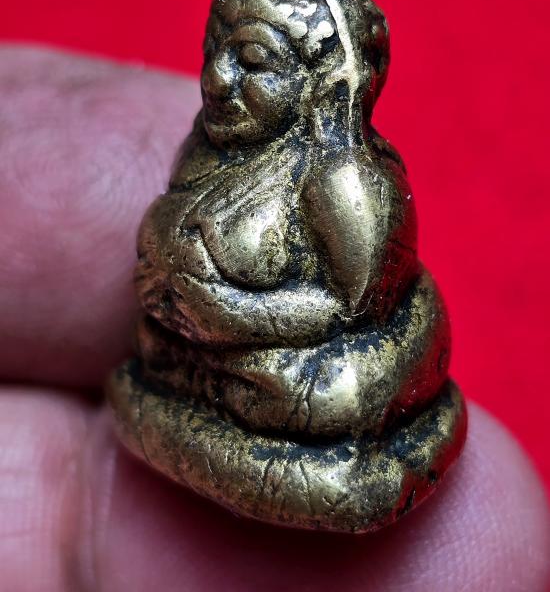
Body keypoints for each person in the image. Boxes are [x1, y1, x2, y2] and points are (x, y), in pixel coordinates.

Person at [0, 45, 548, 591]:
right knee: (149, 342)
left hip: (304, 369)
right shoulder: (205, 147)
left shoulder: (345, 176)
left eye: (252, 60)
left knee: (342, 391)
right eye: (215, 51)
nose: (219, 77)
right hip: (199, 350)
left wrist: (227, 311)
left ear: (321, 81)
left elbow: (352, 308)